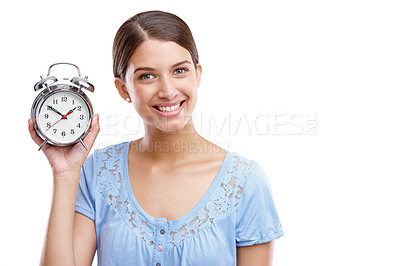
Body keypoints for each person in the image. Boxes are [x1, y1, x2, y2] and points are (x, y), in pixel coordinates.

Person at [28, 10, 283, 266]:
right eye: (147, 76)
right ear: (123, 88)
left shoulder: (245, 182)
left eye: (180, 71)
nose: (168, 91)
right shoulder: (98, 172)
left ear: (198, 74)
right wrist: (65, 173)